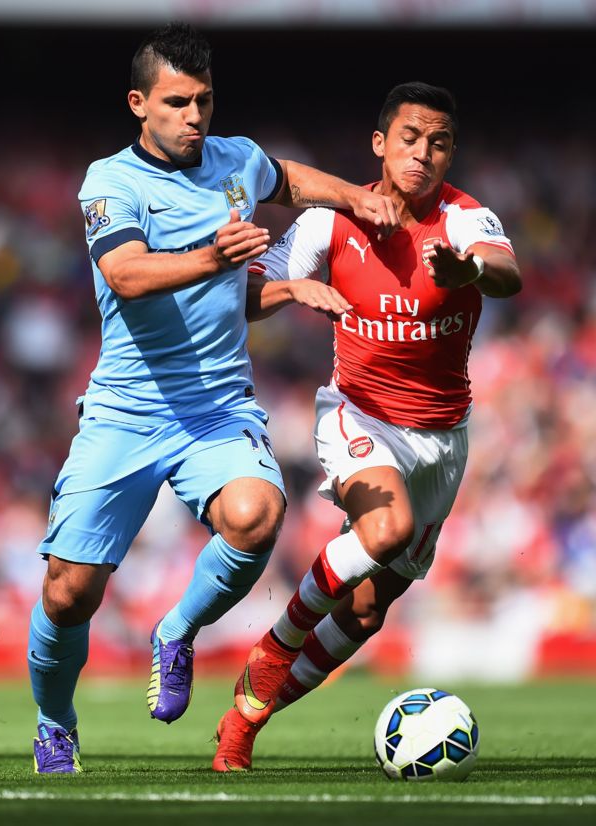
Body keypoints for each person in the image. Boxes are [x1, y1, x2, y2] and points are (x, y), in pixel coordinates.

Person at [27, 22, 399, 774]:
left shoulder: (234, 160)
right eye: (176, 102)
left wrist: (361, 199)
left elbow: (287, 179)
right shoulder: (110, 182)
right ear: (140, 104)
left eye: (204, 101)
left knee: (257, 515)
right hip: (126, 410)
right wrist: (213, 256)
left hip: (216, 409)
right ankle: (55, 722)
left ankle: (176, 630)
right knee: (69, 595)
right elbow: (127, 277)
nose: (195, 117)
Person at [212, 81, 521, 772]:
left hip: (442, 438)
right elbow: (250, 295)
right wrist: (293, 288)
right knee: (384, 532)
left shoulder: (465, 220)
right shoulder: (330, 222)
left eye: (438, 143)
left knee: (363, 613)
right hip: (359, 413)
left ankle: (244, 720)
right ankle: (271, 651)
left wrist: (467, 268)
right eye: (409, 138)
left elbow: (507, 274)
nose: (423, 154)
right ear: (380, 143)